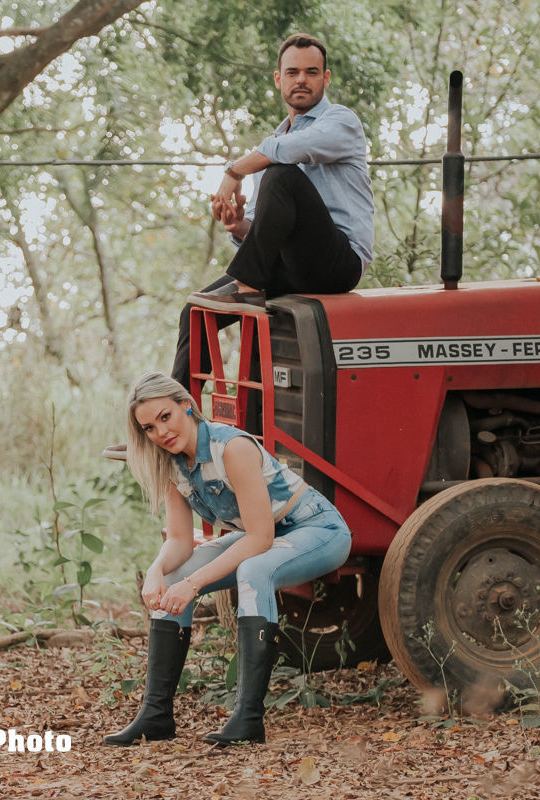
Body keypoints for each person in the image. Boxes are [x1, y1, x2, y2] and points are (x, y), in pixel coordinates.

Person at [103, 372, 351, 747]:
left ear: (186, 405)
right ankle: (156, 715)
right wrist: (158, 571)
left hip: (316, 529)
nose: (161, 433)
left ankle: (248, 719)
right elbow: (181, 542)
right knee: (175, 573)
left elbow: (260, 537)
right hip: (264, 533)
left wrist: (194, 585)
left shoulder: (230, 447)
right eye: (149, 428)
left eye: (165, 417)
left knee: (252, 569)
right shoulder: (171, 463)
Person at [170, 33, 374, 390]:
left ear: (325, 79)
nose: (301, 80)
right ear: (279, 79)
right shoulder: (271, 150)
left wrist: (234, 171)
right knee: (197, 312)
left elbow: (295, 149)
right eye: (292, 72)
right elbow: (274, 232)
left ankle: (249, 287)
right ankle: (179, 416)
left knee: (281, 172)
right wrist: (239, 227)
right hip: (290, 265)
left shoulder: (341, 123)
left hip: (339, 263)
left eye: (312, 72)